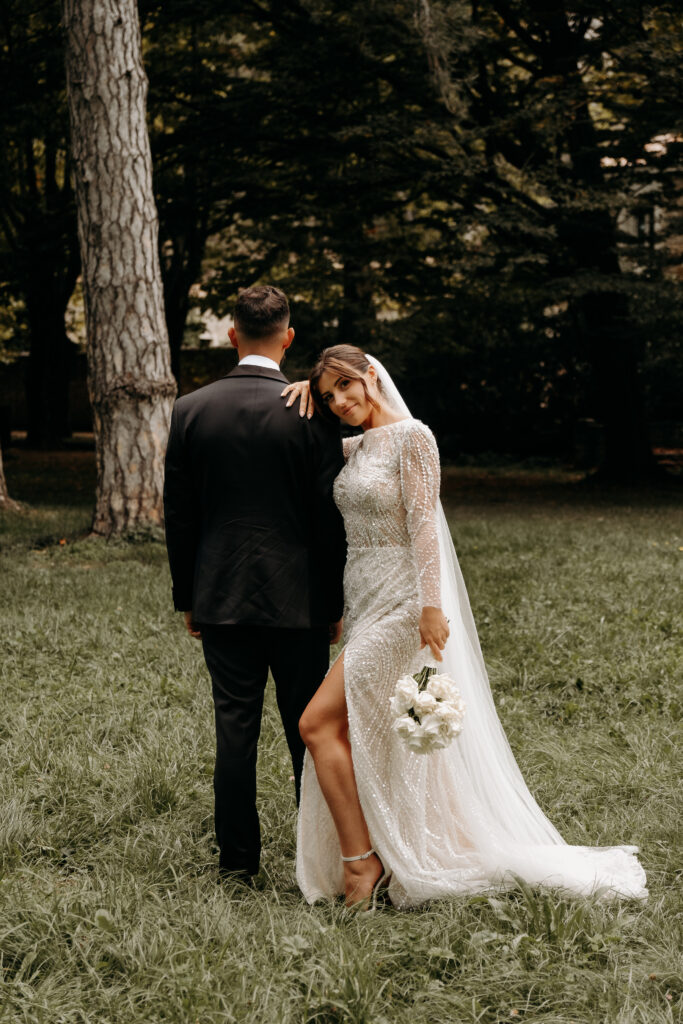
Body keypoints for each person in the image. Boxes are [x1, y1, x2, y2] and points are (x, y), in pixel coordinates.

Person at [282, 345, 647, 910]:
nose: (339, 402)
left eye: (346, 386)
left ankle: (361, 863)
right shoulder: (353, 447)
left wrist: (431, 606)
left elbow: (424, 525)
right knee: (373, 730)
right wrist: (304, 394)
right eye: (328, 396)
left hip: (404, 603)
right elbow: (314, 450)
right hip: (365, 600)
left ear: (371, 375)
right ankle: (394, 845)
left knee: (315, 722)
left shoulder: (414, 438)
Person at [163, 286, 346, 883]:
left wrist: (189, 597)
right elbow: (329, 518)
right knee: (307, 732)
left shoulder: (191, 409)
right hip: (300, 601)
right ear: (288, 337)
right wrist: (334, 603)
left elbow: (180, 516)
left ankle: (238, 866)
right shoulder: (311, 411)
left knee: (234, 730)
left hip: (220, 596)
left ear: (231, 335)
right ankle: (317, 859)